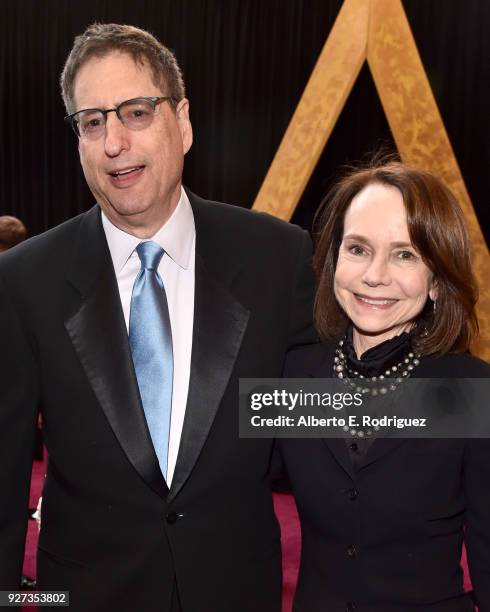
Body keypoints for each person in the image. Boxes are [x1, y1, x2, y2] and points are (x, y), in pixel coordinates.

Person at [0, 23, 315, 612]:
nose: (113, 141)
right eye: (92, 122)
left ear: (184, 122)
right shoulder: (24, 281)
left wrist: (459, 402)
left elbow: (321, 428)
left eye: (137, 112)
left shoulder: (279, 258)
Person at [280, 161, 490, 612]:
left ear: (436, 280)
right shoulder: (292, 374)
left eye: (405, 255)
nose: (375, 275)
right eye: (358, 249)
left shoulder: (471, 392)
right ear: (334, 259)